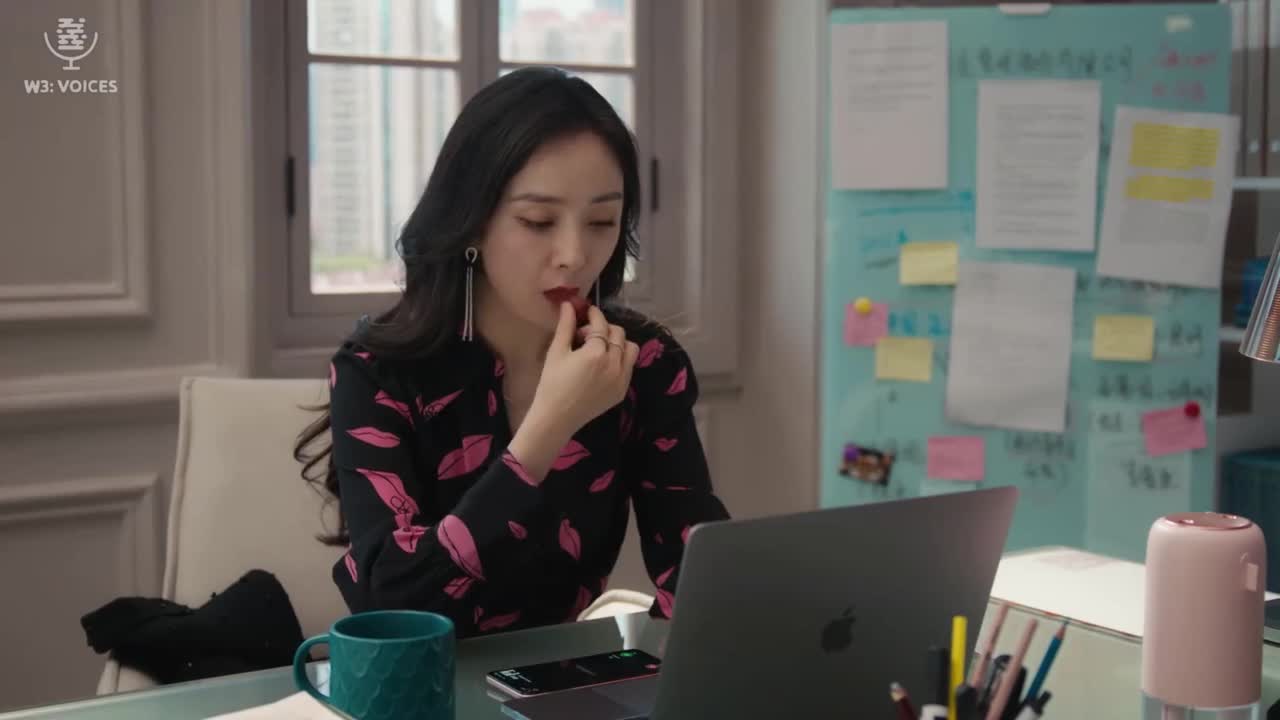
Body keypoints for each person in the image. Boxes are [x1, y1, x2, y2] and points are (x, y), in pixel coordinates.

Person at [294, 67, 731, 639]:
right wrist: (547, 430)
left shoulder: (641, 363)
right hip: (425, 681)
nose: (575, 254)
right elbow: (390, 603)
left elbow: (696, 572)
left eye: (602, 221)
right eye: (538, 221)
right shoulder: (378, 373)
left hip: (561, 679)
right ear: (471, 222)